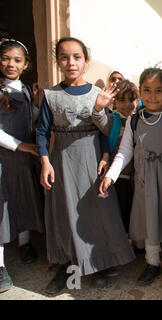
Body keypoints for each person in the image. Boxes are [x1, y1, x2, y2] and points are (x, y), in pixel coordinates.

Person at [35, 37, 135, 295]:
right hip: (62, 161)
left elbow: (106, 130)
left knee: (96, 212)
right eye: (64, 57)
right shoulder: (50, 95)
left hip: (92, 159)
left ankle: (99, 263)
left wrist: (104, 154)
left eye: (77, 57)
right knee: (66, 213)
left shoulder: (96, 94)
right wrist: (45, 161)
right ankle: (70, 265)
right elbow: (42, 132)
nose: (71, 63)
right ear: (58, 61)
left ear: (86, 61)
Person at [99, 68, 162, 286]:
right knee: (148, 220)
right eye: (147, 90)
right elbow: (125, 151)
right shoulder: (134, 120)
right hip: (144, 180)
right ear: (141, 92)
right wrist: (112, 175)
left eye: (158, 91)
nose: (152, 96)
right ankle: (152, 263)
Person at [0, 39, 44, 293]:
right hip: (5, 159)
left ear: (25, 64)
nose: (11, 64)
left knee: (24, 200)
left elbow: (31, 118)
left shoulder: (25, 90)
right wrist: (19, 145)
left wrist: (39, 105)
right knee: (2, 208)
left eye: (17, 60)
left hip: (23, 161)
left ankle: (25, 243)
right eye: (6, 58)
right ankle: (1, 265)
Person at [92, 79, 139, 234]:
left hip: (136, 176)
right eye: (122, 100)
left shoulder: (139, 120)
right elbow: (100, 120)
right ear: (115, 102)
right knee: (121, 209)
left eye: (131, 99)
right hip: (118, 176)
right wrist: (99, 107)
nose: (127, 104)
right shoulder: (113, 120)